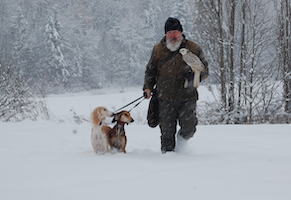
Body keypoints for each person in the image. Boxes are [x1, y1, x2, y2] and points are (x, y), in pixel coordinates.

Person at [143, 17, 209, 153]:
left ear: (181, 32)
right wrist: (147, 87)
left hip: (187, 98)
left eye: (175, 32)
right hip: (165, 99)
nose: (173, 36)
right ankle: (168, 162)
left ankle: (182, 145)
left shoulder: (193, 48)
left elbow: (204, 70)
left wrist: (195, 76)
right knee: (167, 135)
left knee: (189, 128)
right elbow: (150, 70)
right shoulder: (158, 49)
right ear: (165, 34)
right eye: (169, 33)